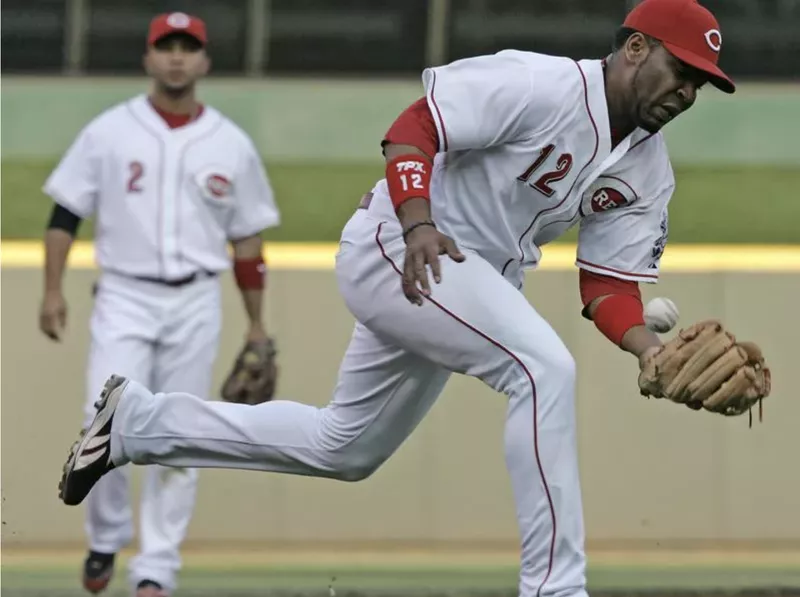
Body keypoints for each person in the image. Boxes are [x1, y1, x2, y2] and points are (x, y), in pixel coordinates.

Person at [57, 1, 735, 595]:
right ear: (636, 49)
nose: (687, 92)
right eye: (682, 73)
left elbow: (608, 283)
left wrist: (649, 349)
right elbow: (415, 125)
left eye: (700, 85)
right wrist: (417, 220)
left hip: (466, 286)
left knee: (344, 448)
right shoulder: (542, 82)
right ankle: (556, 587)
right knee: (541, 368)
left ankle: (138, 424)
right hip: (399, 248)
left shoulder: (649, 168)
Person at [41, 12, 280, 597]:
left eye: (188, 47)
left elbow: (247, 240)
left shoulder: (230, 142)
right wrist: (51, 290)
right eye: (165, 47)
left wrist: (256, 325)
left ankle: (157, 569)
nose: (177, 57)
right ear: (148, 58)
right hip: (123, 293)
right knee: (103, 421)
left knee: (180, 433)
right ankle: (106, 536)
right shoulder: (109, 131)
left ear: (205, 61)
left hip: (196, 298)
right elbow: (64, 213)